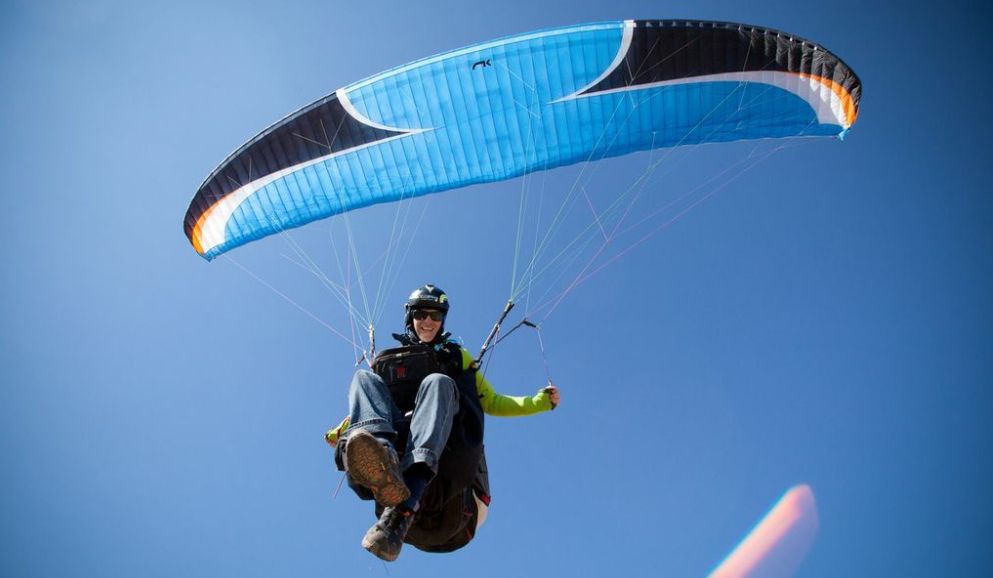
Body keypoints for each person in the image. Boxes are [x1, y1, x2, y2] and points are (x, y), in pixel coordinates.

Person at [325, 284, 560, 561]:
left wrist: (540, 402)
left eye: (435, 316)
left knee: (438, 382)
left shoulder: (457, 357)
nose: (428, 321)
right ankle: (382, 465)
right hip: (395, 512)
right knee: (364, 378)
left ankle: (406, 500)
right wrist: (339, 432)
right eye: (421, 314)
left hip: (452, 498)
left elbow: (493, 401)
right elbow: (367, 408)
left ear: (443, 320)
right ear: (410, 317)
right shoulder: (391, 363)